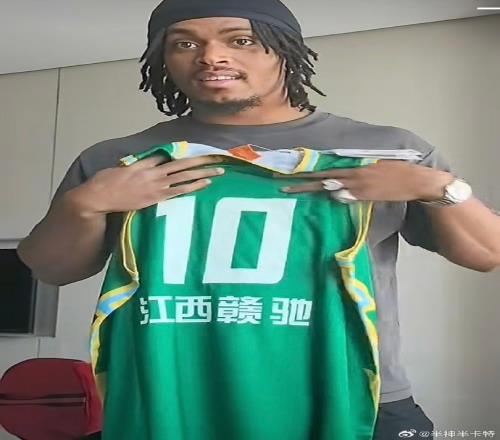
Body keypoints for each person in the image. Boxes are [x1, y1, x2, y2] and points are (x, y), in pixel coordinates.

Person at [17, 0, 500, 438]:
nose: (211, 57)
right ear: (162, 59)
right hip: (168, 391)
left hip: (358, 394)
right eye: (185, 44)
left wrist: (438, 188)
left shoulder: (389, 149)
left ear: (284, 50)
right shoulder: (117, 158)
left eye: (241, 40)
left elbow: (488, 254)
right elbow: (51, 268)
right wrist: (84, 205)